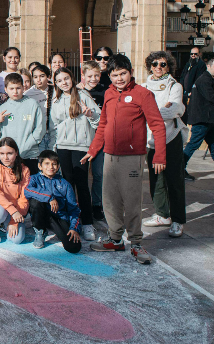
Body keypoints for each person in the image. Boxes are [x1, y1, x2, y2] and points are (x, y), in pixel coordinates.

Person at [82, 54, 167, 265]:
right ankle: (115, 238)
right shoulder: (109, 94)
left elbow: (157, 126)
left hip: (132, 157)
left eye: (122, 73)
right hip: (110, 155)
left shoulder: (143, 94)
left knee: (131, 202)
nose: (119, 78)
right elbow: (103, 125)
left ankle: (136, 243)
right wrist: (94, 150)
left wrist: (160, 155)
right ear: (108, 76)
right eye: (114, 75)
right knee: (110, 200)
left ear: (130, 72)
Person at [50, 67, 101, 241]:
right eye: (59, 80)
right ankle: (72, 221)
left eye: (66, 79)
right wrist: (53, 147)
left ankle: (87, 223)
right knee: (67, 185)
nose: (63, 83)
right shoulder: (56, 99)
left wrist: (90, 114)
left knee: (82, 184)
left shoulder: (83, 95)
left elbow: (99, 119)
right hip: (63, 146)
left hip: (81, 146)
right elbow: (53, 125)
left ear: (72, 78)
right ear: (56, 83)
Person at [141, 52, 187, 238]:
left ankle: (177, 220)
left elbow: (175, 109)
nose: (158, 67)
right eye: (154, 64)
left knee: (174, 180)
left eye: (163, 64)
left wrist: (151, 112)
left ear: (169, 67)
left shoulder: (175, 86)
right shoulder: (143, 87)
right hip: (150, 140)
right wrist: (164, 109)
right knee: (155, 180)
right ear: (149, 66)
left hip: (170, 137)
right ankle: (162, 214)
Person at [24, 150, 82, 253]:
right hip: (41, 214)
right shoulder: (34, 179)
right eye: (47, 163)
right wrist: (49, 197)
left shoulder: (65, 184)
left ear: (58, 166)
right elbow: (27, 190)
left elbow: (74, 209)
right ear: (40, 166)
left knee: (74, 247)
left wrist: (74, 228)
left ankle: (52, 227)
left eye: (54, 164)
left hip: (58, 217)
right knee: (35, 202)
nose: (51, 167)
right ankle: (40, 231)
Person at [0, 72, 45, 174]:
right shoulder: (3, 108)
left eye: (18, 88)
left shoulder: (33, 104)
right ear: (6, 89)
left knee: (29, 187)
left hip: (29, 155)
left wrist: (24, 147)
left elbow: (40, 130)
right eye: (11, 88)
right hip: (9, 158)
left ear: (23, 87)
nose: (15, 91)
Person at [0, 137, 30, 244]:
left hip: (14, 207)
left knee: (17, 239)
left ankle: (6, 223)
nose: (5, 157)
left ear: (16, 153)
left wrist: (14, 221)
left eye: (9, 153)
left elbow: (24, 197)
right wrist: (14, 211)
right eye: (2, 153)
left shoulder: (24, 170)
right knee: (0, 212)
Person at [77, 60, 105, 223]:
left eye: (96, 75)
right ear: (83, 76)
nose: (93, 79)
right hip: (82, 138)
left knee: (98, 173)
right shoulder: (77, 92)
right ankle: (81, 204)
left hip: (99, 138)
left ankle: (97, 204)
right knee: (80, 175)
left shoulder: (106, 91)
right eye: (90, 76)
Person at [27, 65, 55, 152]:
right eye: (35, 77)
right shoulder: (28, 94)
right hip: (38, 134)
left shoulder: (56, 91)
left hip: (54, 133)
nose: (38, 80)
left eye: (42, 76)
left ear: (48, 77)